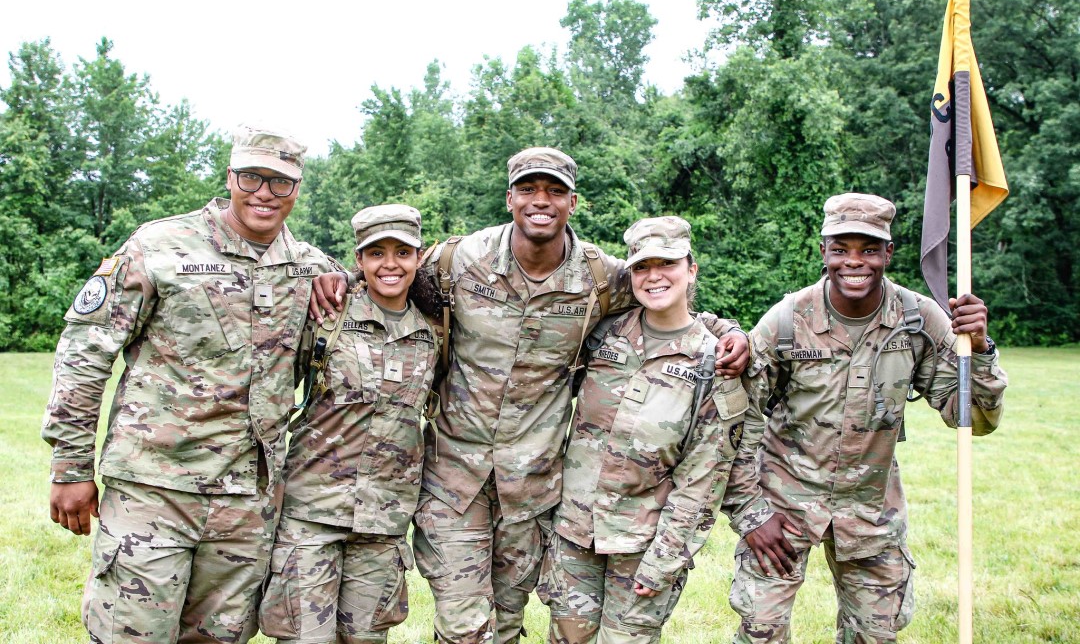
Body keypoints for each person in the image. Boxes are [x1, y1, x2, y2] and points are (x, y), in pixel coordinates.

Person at [310, 147, 750, 643]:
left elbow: (667, 301)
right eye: (528, 189)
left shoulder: (600, 278)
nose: (541, 201)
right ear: (509, 198)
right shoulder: (458, 261)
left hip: (533, 490)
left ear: (573, 202)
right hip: (454, 481)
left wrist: (730, 331)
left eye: (555, 191)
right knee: (465, 630)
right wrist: (337, 279)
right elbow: (390, 274)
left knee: (508, 625)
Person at [42, 124, 339, 644]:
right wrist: (70, 465)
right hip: (154, 489)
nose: (264, 193)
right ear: (230, 176)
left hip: (246, 501)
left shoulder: (310, 266)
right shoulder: (160, 246)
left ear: (297, 188)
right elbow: (85, 354)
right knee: (130, 635)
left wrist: (342, 281)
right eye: (251, 177)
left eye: (281, 182)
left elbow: (381, 296)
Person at [723, 193, 1008, 643]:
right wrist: (752, 515)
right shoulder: (787, 320)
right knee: (761, 630)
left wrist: (981, 347)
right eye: (841, 249)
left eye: (869, 250)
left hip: (870, 509)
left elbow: (972, 416)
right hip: (784, 502)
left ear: (888, 253)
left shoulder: (916, 319)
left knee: (874, 636)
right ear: (823, 253)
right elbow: (735, 424)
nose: (854, 262)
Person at [537, 216, 756, 644]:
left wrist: (666, 559)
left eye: (667, 264)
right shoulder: (603, 334)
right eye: (641, 266)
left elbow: (703, 477)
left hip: (643, 545)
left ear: (691, 268)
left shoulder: (716, 362)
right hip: (573, 534)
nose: (654, 276)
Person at [258, 204, 439, 643]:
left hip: (384, 517)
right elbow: (271, 392)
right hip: (312, 512)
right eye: (376, 253)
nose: (390, 264)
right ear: (358, 260)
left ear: (418, 258)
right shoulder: (325, 314)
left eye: (402, 252)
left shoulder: (435, 327)